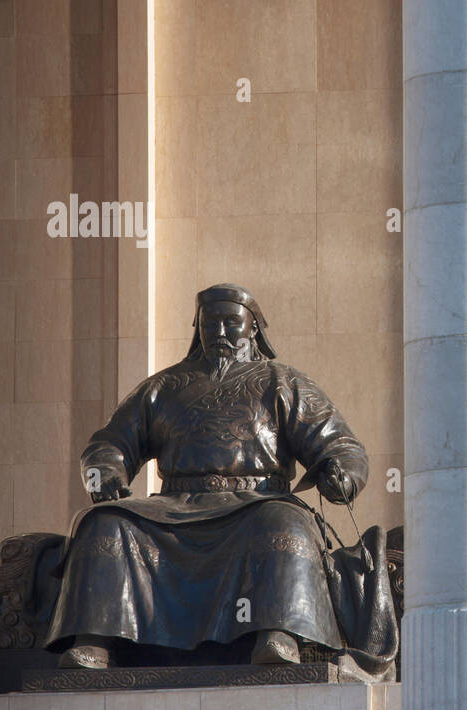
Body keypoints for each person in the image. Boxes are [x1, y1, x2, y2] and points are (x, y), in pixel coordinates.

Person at [47, 283, 377, 670]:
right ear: (197, 327)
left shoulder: (283, 382)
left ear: (253, 329)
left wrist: (343, 472)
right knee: (106, 523)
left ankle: (277, 634)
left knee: (283, 522)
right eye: (211, 323)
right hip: (174, 507)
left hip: (256, 504)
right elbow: (109, 443)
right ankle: (96, 640)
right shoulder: (163, 387)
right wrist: (104, 473)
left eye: (231, 323)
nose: (220, 333)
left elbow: (341, 445)